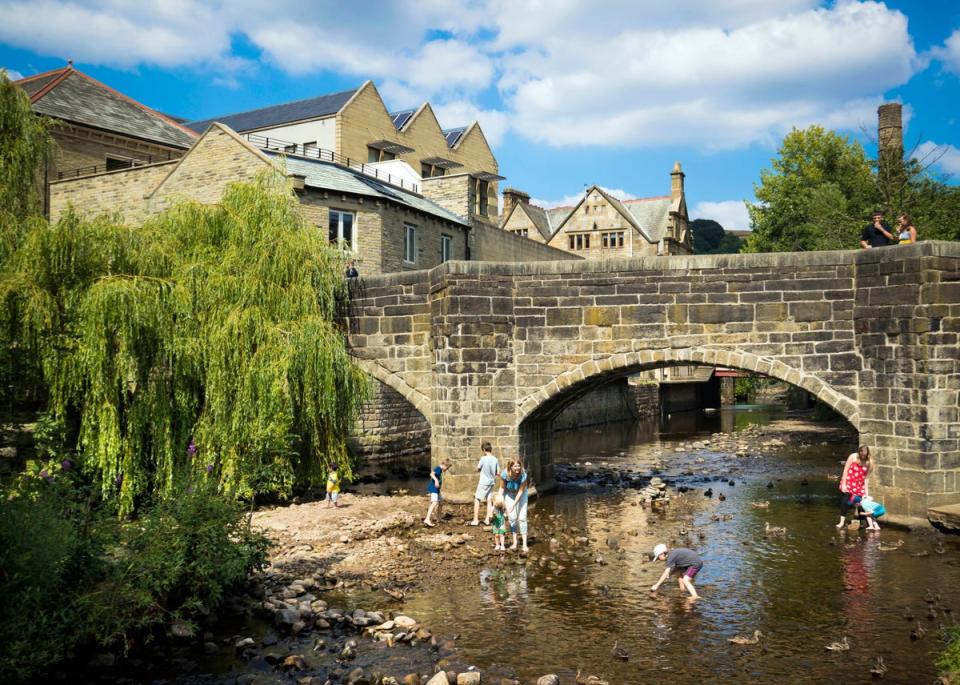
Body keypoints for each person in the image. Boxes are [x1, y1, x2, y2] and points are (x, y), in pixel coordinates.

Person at [837, 445, 879, 530]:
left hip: (859, 485)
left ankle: (864, 523)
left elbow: (866, 478)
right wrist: (844, 484)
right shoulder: (853, 456)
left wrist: (866, 493)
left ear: (867, 454)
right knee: (846, 500)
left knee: (861, 504)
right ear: (859, 452)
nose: (863, 456)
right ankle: (841, 522)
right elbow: (845, 470)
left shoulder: (869, 462)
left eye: (865, 455)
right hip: (849, 481)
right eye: (861, 454)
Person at [498, 459, 530, 553]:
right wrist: (498, 500)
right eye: (515, 466)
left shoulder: (523, 475)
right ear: (510, 467)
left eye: (518, 466)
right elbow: (501, 488)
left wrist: (513, 505)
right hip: (509, 494)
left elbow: (520, 491)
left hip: (522, 494)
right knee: (512, 518)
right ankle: (515, 542)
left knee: (522, 518)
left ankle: (524, 544)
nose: (517, 468)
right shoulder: (504, 474)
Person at [470, 441, 500, 526]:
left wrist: (476, 470)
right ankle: (487, 519)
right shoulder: (495, 459)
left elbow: (478, 468)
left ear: (483, 449)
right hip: (491, 482)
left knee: (477, 499)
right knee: (489, 500)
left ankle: (475, 520)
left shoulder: (483, 458)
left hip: (483, 482)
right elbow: (498, 472)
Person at [424, 459, 452, 527]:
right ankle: (427, 519)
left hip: (437, 490)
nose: (447, 469)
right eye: (447, 468)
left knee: (441, 503)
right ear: (444, 465)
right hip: (434, 489)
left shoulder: (440, 470)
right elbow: (431, 474)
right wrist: (436, 480)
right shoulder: (438, 468)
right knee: (434, 503)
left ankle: (439, 518)